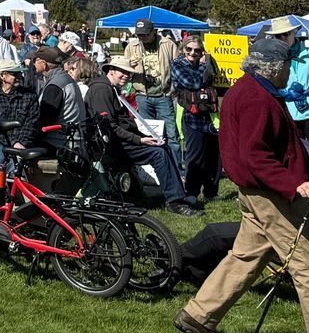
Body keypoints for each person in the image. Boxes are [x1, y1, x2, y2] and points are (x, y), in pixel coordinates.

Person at [171, 35, 309, 333]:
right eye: (288, 65)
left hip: (257, 193)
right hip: (272, 195)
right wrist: (295, 183)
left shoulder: (252, 91)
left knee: (245, 257)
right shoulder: (255, 98)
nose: (290, 72)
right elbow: (256, 157)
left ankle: (197, 316)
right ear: (274, 67)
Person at [93, 61, 203, 216]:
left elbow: (122, 123)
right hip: (110, 145)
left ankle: (177, 196)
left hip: (118, 140)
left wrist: (145, 137)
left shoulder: (111, 88)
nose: (126, 76)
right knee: (159, 153)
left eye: (128, 73)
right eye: (122, 72)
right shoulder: (101, 90)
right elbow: (110, 127)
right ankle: (175, 201)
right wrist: (139, 140)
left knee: (162, 146)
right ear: (111, 70)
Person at [119, 19, 182, 173]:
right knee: (148, 134)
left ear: (153, 32)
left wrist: (173, 89)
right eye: (139, 35)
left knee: (172, 135)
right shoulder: (132, 46)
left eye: (145, 34)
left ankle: (177, 169)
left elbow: (178, 66)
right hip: (142, 95)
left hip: (164, 95)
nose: (142, 38)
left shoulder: (167, 44)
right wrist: (130, 65)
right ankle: (154, 171)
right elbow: (124, 69)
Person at [170, 36, 222, 203]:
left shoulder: (204, 63)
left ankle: (211, 192)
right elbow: (192, 83)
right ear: (183, 49)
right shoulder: (177, 64)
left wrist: (206, 69)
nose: (193, 53)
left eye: (197, 50)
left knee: (214, 156)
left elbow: (214, 78)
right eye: (189, 49)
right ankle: (191, 192)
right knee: (195, 156)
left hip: (210, 115)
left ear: (202, 52)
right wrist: (205, 69)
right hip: (191, 115)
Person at [0, 60, 38, 173]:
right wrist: (14, 142)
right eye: (14, 74)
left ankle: (12, 183)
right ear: (2, 76)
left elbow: (31, 124)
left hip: (22, 140)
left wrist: (21, 143)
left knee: (16, 166)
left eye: (20, 73)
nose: (19, 77)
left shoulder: (30, 96)